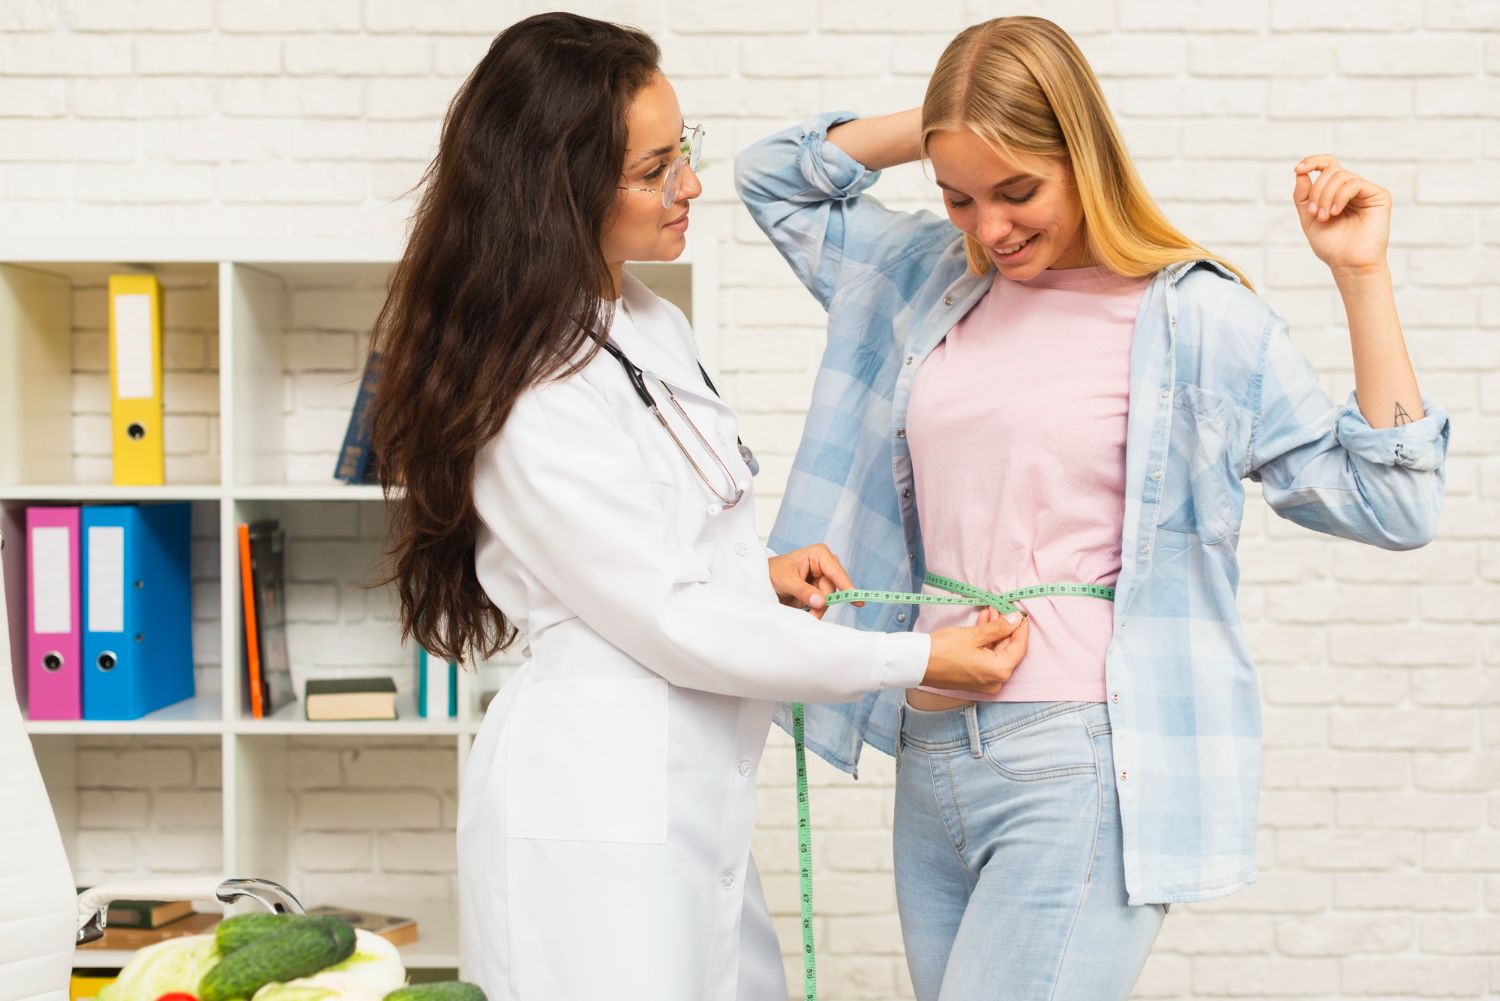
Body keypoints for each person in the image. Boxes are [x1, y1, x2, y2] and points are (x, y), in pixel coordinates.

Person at [736, 15, 1450, 1000]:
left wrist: (1360, 276)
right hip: (931, 745)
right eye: (958, 196)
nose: (990, 227)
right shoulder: (927, 278)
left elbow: (1394, 503)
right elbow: (773, 174)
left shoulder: (1194, 318)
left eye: (1018, 188)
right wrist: (952, 121)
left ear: (1085, 152)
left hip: (1079, 760)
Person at [366, 13, 1027, 1001]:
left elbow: (648, 553)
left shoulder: (647, 320)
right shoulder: (528, 388)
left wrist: (755, 572)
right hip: (593, 803)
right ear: (560, 186)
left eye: (685, 153)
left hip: (688, 795)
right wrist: (914, 657)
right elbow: (670, 616)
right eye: (653, 170)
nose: (691, 187)